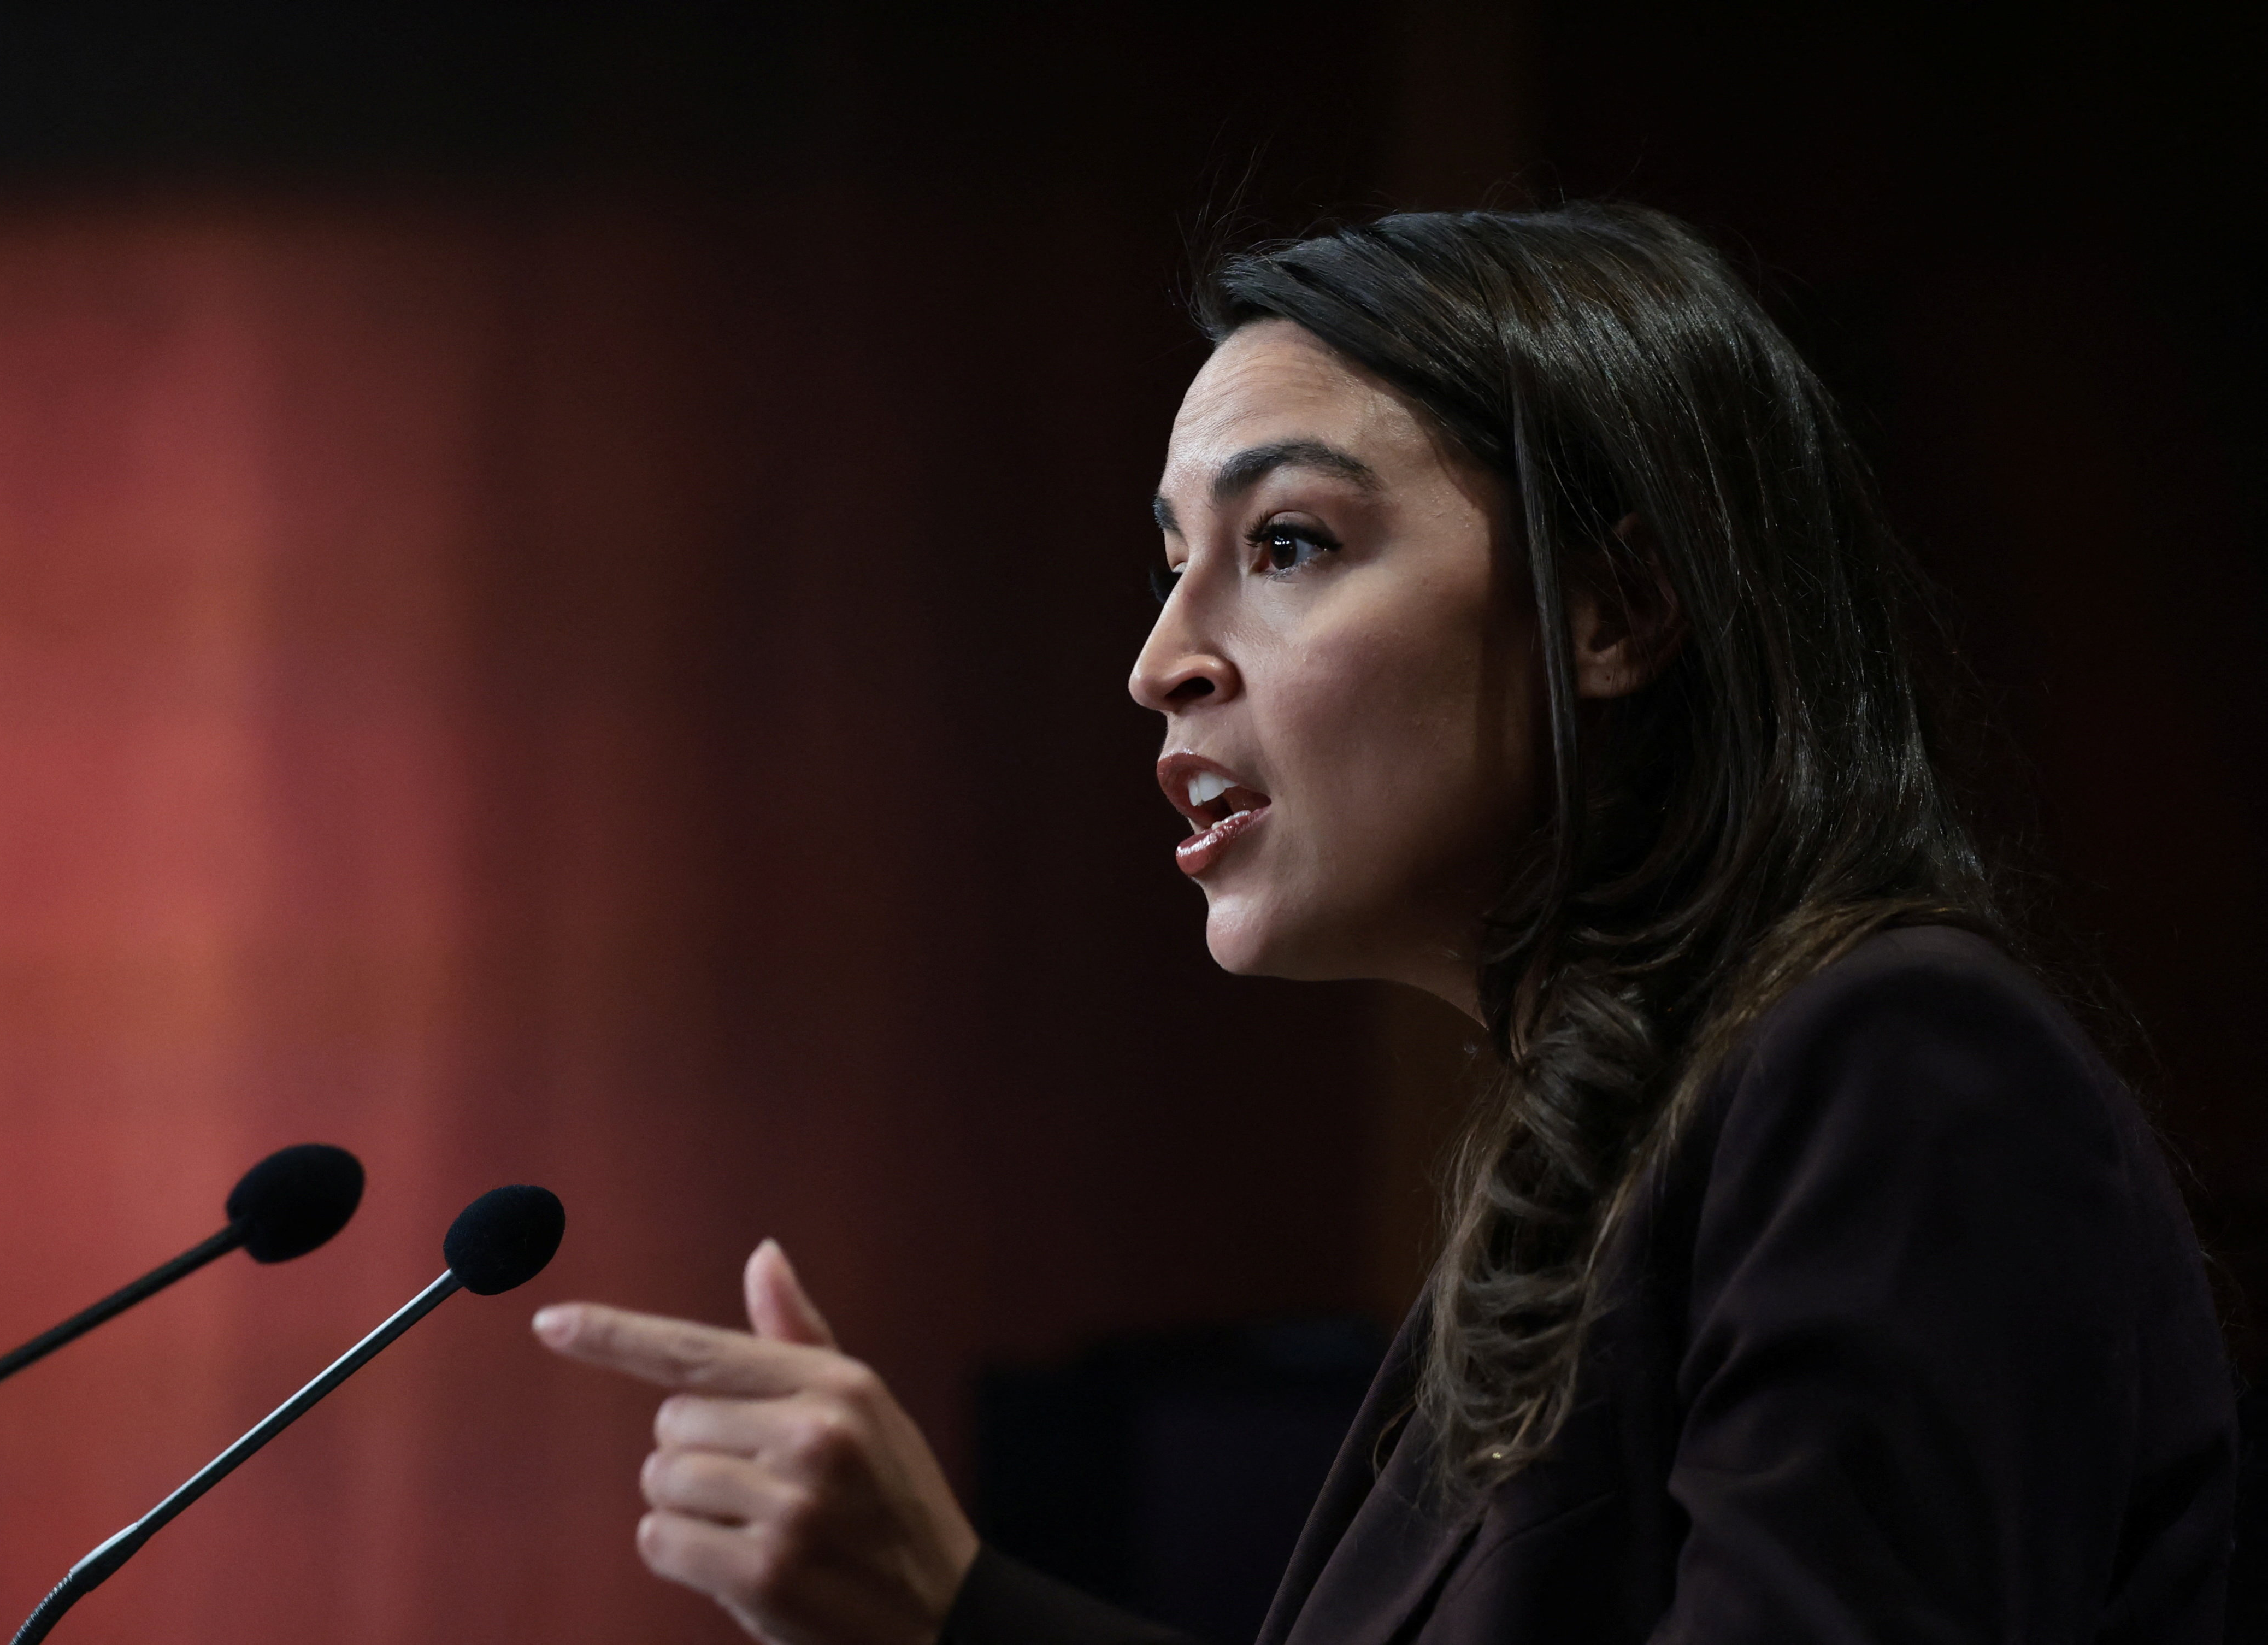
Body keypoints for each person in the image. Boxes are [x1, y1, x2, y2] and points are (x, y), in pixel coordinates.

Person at [524, 204, 2237, 1644]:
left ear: (1616, 609)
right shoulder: (1574, 1185)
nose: (1160, 662)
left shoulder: (1897, 1071)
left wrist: (960, 1609)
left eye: (1285, 543)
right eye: (1169, 563)